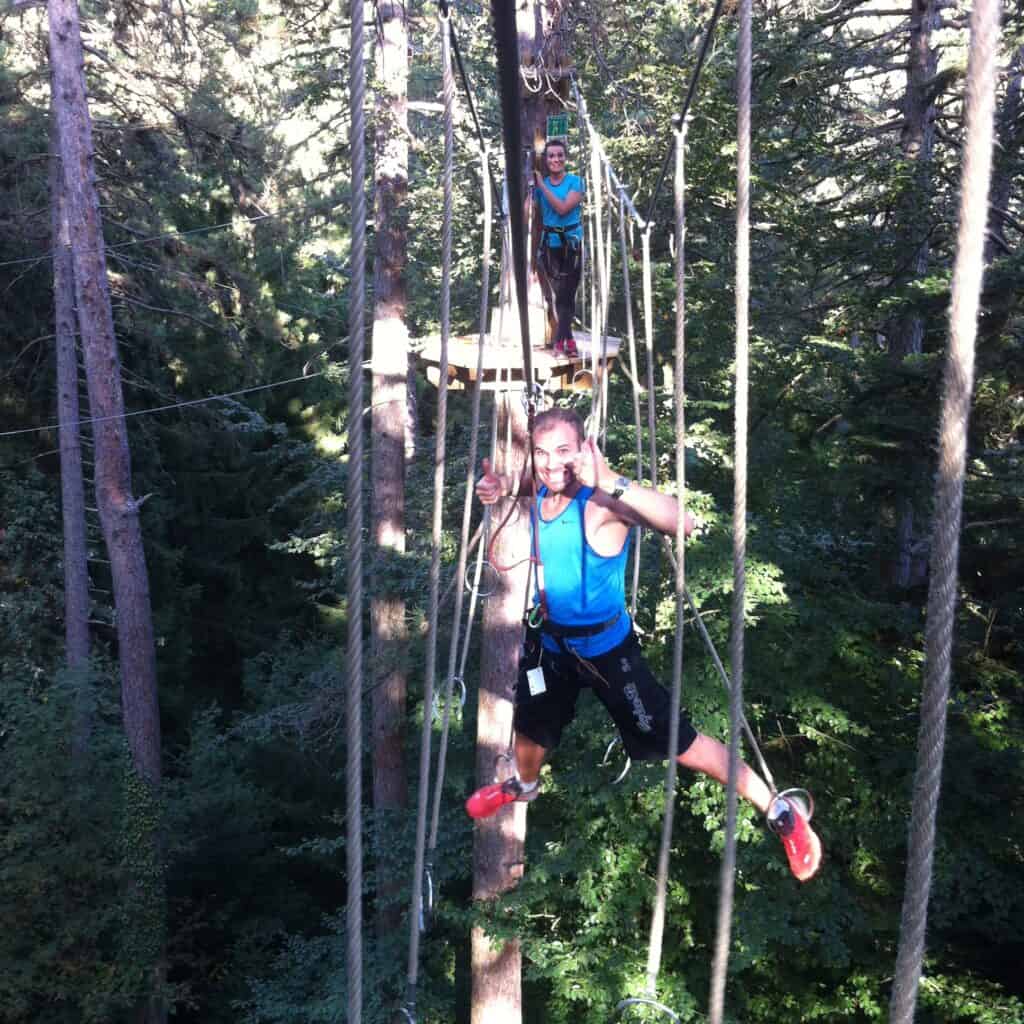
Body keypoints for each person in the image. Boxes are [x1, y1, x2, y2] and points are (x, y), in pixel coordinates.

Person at [465, 407, 822, 883]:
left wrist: (613, 480)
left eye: (564, 453)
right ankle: (524, 784)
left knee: (682, 744)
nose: (552, 465)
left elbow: (683, 522)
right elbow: (536, 482)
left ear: (586, 449)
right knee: (530, 729)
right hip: (552, 645)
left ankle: (781, 813)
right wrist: (503, 486)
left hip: (608, 654)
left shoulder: (602, 504)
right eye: (543, 454)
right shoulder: (546, 487)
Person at [532, 139, 584, 358]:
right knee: (558, 296)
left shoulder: (576, 182)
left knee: (567, 294)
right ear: (546, 160)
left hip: (571, 244)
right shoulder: (539, 186)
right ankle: (568, 340)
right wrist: (527, 189)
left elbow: (563, 209)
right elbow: (527, 212)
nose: (556, 159)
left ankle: (561, 341)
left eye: (559, 155)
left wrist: (542, 186)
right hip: (550, 245)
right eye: (551, 156)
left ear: (566, 158)